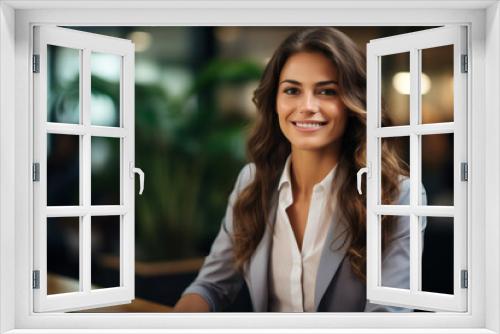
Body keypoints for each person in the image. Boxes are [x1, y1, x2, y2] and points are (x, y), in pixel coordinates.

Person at [173, 27, 426, 312]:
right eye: (292, 90)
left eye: (327, 91)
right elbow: (211, 287)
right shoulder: (253, 182)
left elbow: (387, 318)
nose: (307, 107)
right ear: (275, 102)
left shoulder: (395, 195)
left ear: (352, 103)